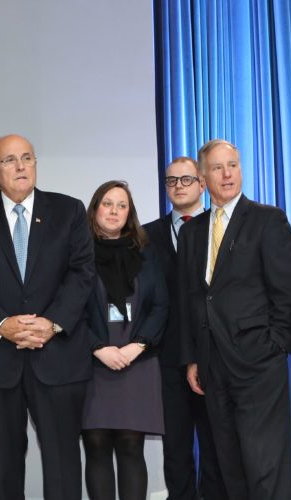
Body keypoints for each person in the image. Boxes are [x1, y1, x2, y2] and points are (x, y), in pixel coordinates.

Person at [0, 134, 95, 500]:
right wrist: (2, 325)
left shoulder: (69, 211)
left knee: (63, 466)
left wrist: (51, 323)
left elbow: (82, 273)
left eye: (27, 158)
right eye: (10, 160)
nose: (20, 166)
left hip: (58, 357)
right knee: (4, 469)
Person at [178, 139, 291, 499]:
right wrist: (192, 358)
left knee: (265, 465)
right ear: (202, 178)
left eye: (233, 165)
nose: (227, 174)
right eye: (217, 167)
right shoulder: (191, 232)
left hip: (259, 363)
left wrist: (277, 345)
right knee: (229, 466)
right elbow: (190, 300)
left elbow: (285, 290)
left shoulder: (268, 219)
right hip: (212, 367)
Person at [144, 157, 227, 499]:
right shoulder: (145, 235)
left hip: (215, 356)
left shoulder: (221, 228)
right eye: (171, 181)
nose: (178, 187)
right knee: (176, 450)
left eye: (186, 180)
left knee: (215, 448)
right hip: (166, 359)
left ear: (202, 184)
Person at [81, 180, 168, 500]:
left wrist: (138, 345)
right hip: (92, 362)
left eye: (122, 205)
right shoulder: (77, 253)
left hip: (138, 361)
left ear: (130, 213)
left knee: (132, 446)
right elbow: (69, 308)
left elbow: (161, 305)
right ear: (95, 209)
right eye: (108, 203)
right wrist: (98, 348)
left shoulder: (146, 253)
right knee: (97, 445)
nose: (114, 211)